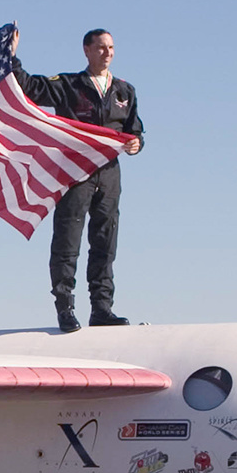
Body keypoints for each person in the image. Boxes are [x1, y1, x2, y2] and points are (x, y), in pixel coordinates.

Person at [11, 28, 144, 332]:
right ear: (87, 50)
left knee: (105, 242)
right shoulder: (70, 85)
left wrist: (135, 144)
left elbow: (134, 130)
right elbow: (29, 87)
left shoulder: (125, 90)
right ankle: (65, 307)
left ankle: (102, 308)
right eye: (101, 48)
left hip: (109, 174)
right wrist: (12, 56)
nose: (107, 53)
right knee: (67, 241)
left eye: (111, 47)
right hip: (74, 174)